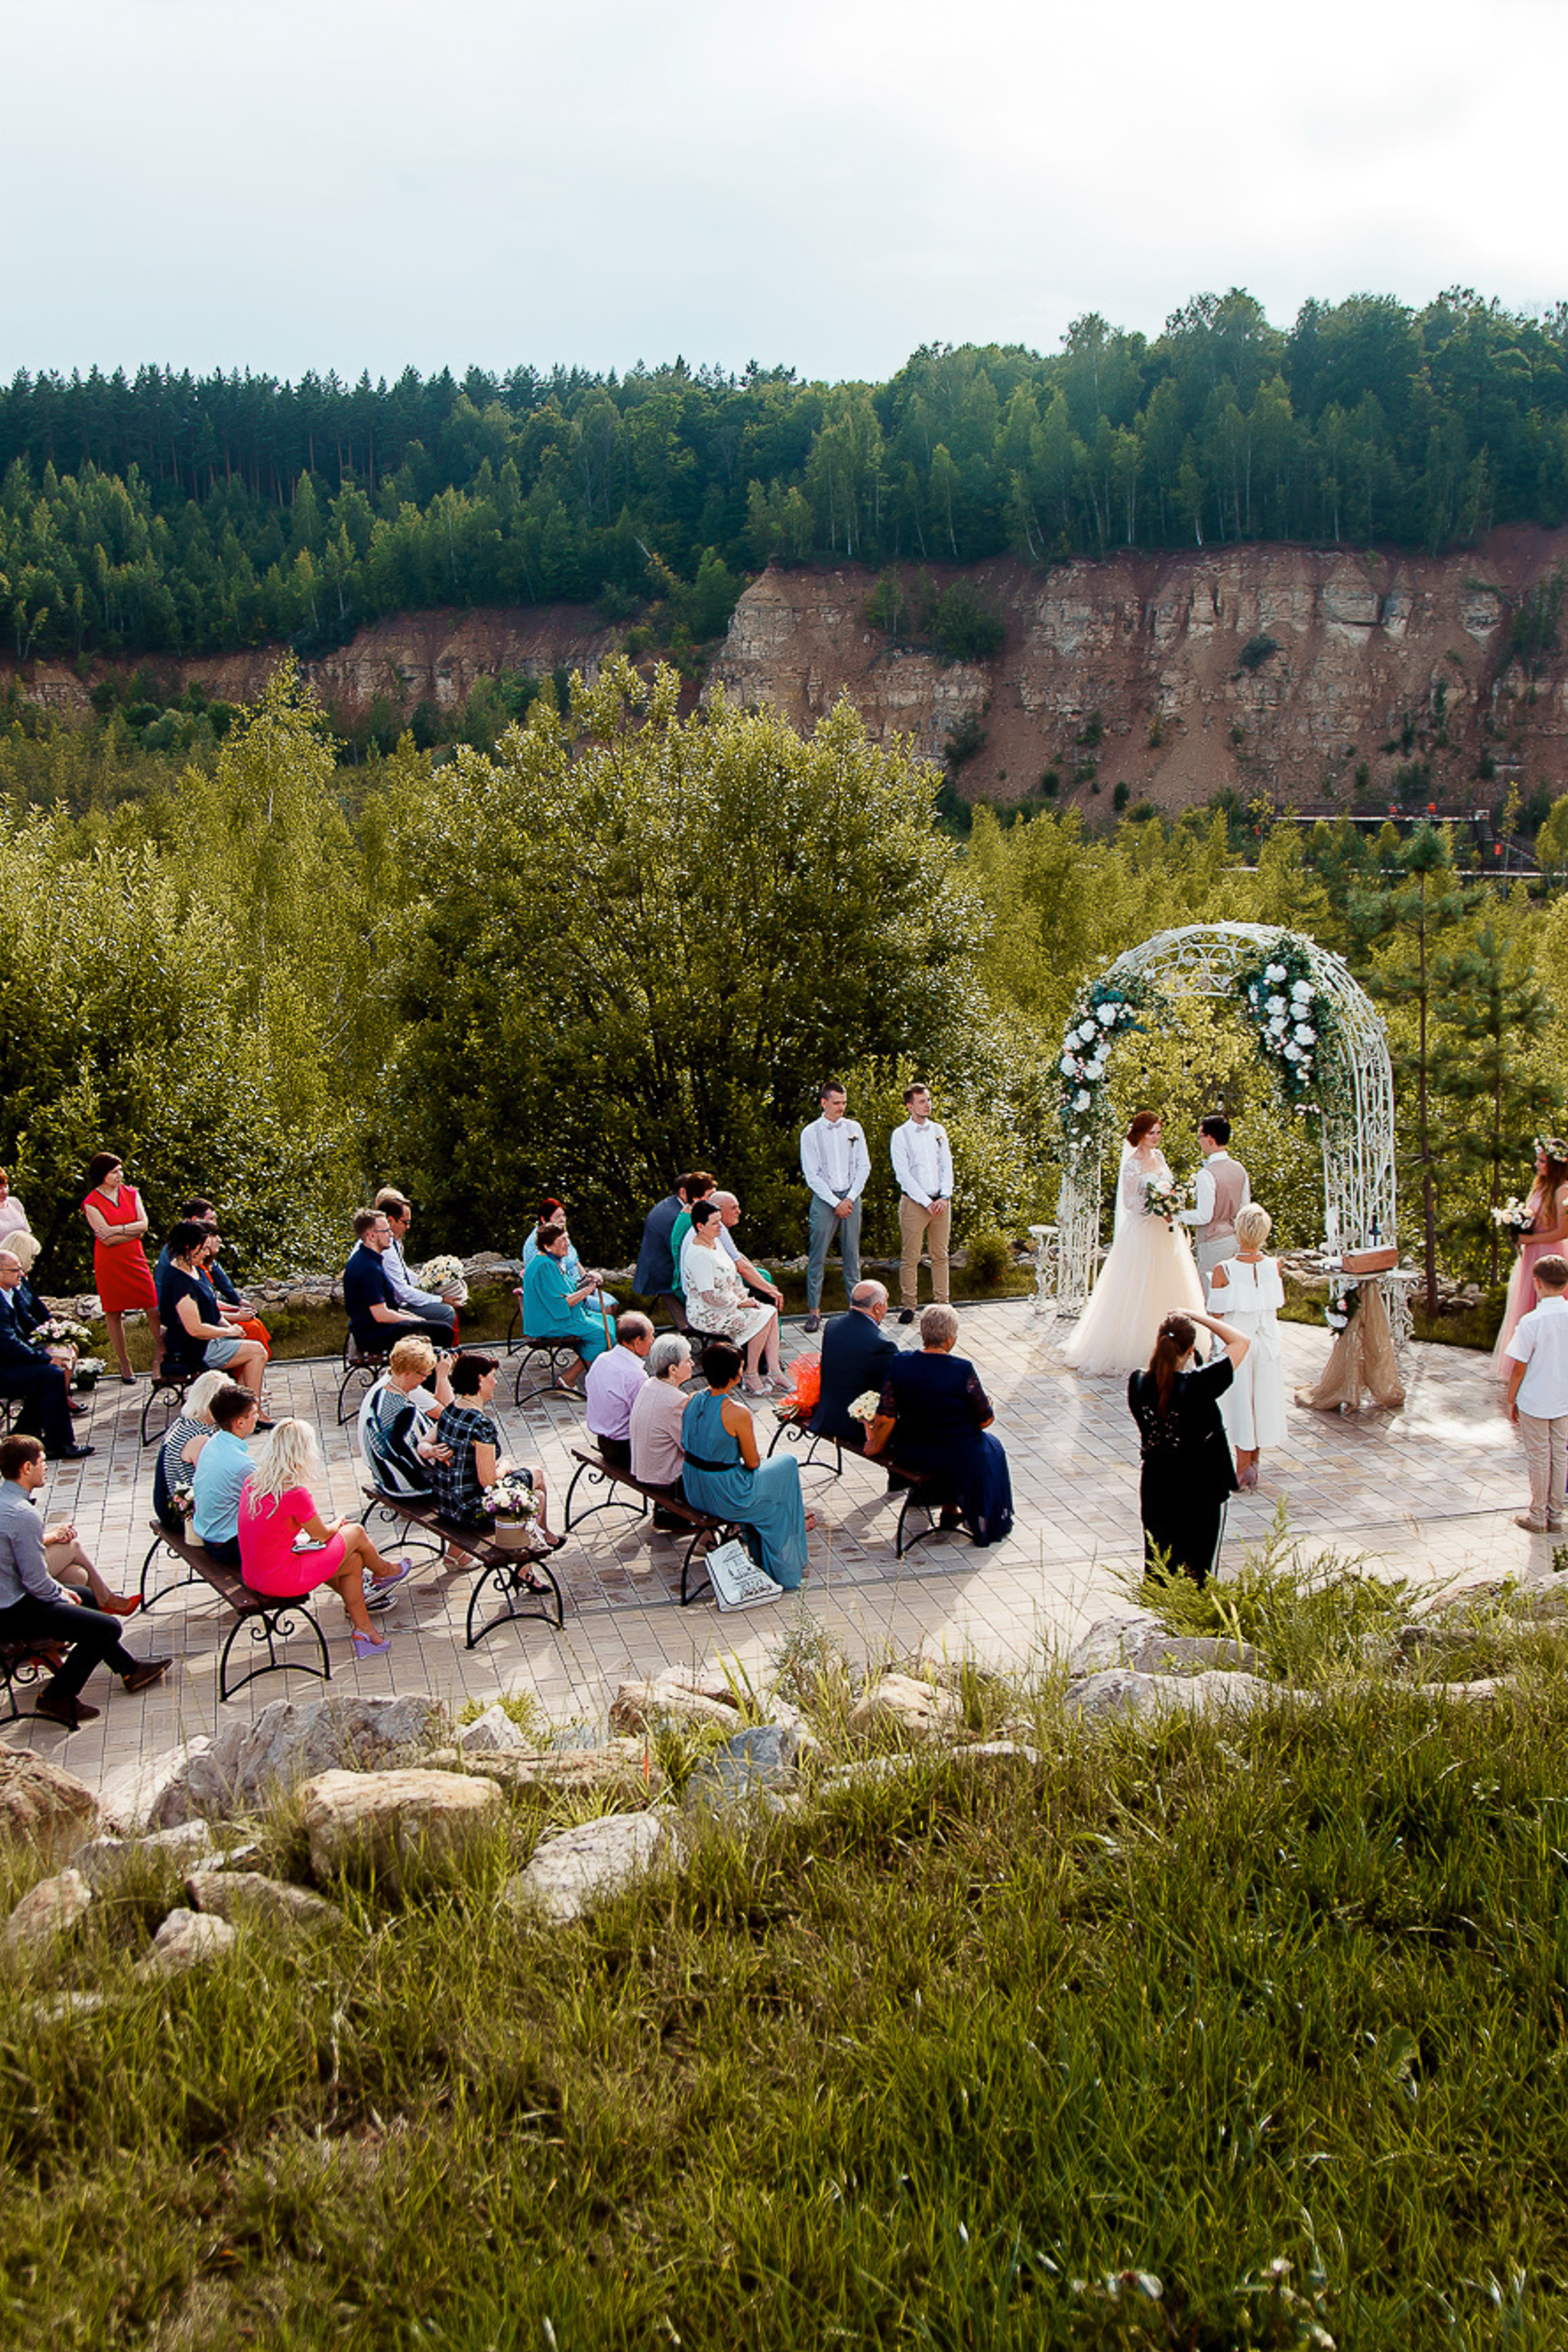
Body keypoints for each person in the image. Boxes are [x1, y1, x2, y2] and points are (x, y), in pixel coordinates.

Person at [0, 1433, 168, 1728]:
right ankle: (57, 1696)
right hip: (12, 1611)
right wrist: (62, 1594)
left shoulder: (6, 1500)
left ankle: (129, 1670)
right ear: (26, 1468)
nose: (46, 1467)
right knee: (108, 1627)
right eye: (42, 1462)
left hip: (10, 1598)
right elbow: (36, 1582)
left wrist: (66, 1592)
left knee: (88, 1597)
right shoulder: (23, 1515)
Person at [237, 1418, 410, 1660]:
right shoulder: (295, 1494)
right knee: (356, 1531)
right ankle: (384, 1572)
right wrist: (338, 1523)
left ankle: (365, 1632)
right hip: (282, 1577)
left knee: (353, 1561)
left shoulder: (253, 1482)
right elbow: (321, 1534)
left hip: (255, 1573)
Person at [1063, 1111, 1204, 1376]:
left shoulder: (1159, 1157)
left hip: (1164, 1231)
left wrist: (1171, 1203)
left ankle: (1178, 1344)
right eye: (1151, 1133)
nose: (1156, 1137)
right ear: (1139, 1134)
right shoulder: (1132, 1165)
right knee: (1138, 1284)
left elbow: (1169, 1186)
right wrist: (1154, 1207)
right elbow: (1130, 1202)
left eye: (1158, 1132)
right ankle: (1135, 1346)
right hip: (1142, 1231)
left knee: (1167, 1281)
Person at [864, 1303, 1014, 1545]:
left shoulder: (900, 1362)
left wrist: (876, 1444)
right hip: (954, 1454)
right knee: (992, 1448)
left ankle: (949, 1510)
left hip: (912, 1450)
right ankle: (980, 1518)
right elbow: (985, 1420)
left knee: (962, 1448)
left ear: (924, 1333)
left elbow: (886, 1414)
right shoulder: (962, 1369)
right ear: (950, 1338)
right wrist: (988, 1404)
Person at [1128, 1308, 1251, 1587]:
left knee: (1159, 1566)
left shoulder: (1137, 1383)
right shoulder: (1199, 1385)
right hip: (1199, 1490)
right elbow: (1241, 1342)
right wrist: (1196, 1315)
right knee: (1197, 1570)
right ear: (1190, 1349)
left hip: (1157, 1485)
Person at [680, 1340, 813, 1589]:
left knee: (776, 1489)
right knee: (786, 1467)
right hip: (725, 1493)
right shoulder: (736, 1412)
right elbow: (752, 1463)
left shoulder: (692, 1400)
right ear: (736, 1375)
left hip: (694, 1487)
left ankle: (780, 1546)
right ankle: (786, 1569)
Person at [432, 1352, 560, 1545]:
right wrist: (505, 1466)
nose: (497, 1382)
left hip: (446, 1502)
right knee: (537, 1474)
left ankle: (544, 1538)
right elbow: (488, 1482)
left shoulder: (450, 1411)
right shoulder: (480, 1424)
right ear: (480, 1380)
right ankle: (538, 1545)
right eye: (493, 1377)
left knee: (538, 1496)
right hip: (469, 1510)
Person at [1210, 1204, 1287, 1490]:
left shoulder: (1224, 1270)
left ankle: (1242, 1469)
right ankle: (1254, 1464)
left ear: (1238, 1230)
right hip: (1268, 1343)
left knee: (1241, 1403)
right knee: (1261, 1401)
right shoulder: (1274, 1266)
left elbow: (1216, 1312)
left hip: (1238, 1344)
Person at [156, 1219, 270, 1403]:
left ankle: (241, 1407)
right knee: (257, 1352)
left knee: (252, 1342)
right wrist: (229, 1332)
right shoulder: (179, 1282)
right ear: (189, 1248)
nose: (208, 1253)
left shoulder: (193, 1269)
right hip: (195, 1348)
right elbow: (195, 1329)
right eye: (203, 1248)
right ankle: (252, 1410)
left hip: (208, 1340)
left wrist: (232, 1326)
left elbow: (210, 1305)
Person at [0, 1248, 91, 1461]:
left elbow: (28, 1323)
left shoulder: (10, 1293)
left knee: (46, 1376)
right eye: (15, 1270)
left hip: (11, 1362)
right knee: (52, 1375)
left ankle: (26, 1432)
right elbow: (8, 1344)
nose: (21, 1274)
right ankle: (60, 1444)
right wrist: (46, 1358)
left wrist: (52, 1341)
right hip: (4, 1368)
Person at [681, 1201, 780, 1394]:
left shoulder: (715, 1242)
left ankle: (774, 1371)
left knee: (771, 1312)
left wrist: (745, 1298)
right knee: (763, 1317)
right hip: (708, 1312)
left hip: (728, 1303)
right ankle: (751, 1374)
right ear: (700, 1227)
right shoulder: (699, 1255)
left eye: (720, 1221)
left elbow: (733, 1278)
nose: (721, 1226)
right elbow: (709, 1297)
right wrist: (740, 1303)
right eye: (715, 1223)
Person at [81, 1150, 162, 1383]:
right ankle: (125, 1364)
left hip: (135, 1258)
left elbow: (143, 1225)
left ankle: (163, 1352)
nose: (120, 1175)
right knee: (114, 1312)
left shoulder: (132, 1193)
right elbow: (104, 1239)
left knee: (153, 1306)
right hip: (110, 1263)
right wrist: (130, 1230)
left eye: (120, 1171)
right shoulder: (91, 1202)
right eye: (114, 1172)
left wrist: (118, 1230)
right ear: (102, 1174)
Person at [1504, 1253, 1568, 1535]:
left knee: (1539, 1456)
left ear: (1537, 1283)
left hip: (1535, 1399)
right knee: (1560, 1455)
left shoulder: (1531, 1321)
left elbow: (1519, 1367)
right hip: (1564, 1398)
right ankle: (1556, 1517)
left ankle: (1538, 1516)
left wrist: (1511, 1399)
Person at [801, 1082, 869, 1333]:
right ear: (824, 1103)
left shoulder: (854, 1128)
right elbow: (812, 1174)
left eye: (844, 1103)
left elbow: (864, 1166)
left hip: (851, 1197)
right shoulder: (810, 1132)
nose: (842, 1107)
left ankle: (858, 1312)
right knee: (817, 1255)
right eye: (837, 1103)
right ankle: (814, 1312)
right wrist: (835, 1202)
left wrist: (849, 1198)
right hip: (825, 1198)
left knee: (852, 1255)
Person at [1494, 1139, 1568, 1368]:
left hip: (1549, 1254)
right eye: (1538, 1159)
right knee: (1525, 1307)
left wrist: (1531, 1239)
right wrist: (1517, 1232)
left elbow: (1563, 1231)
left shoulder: (1563, 1191)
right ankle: (1525, 1365)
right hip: (1531, 1255)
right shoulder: (1540, 1187)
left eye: (1542, 1161)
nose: (1537, 1164)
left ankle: (1550, 1365)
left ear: (1556, 1164)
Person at [357, 1336, 456, 1500]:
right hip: (408, 1487)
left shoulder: (384, 1392)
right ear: (408, 1373)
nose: (425, 1379)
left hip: (386, 1479)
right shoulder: (405, 1409)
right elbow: (424, 1455)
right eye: (423, 1375)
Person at [342, 1208, 451, 1356]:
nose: (391, 1234)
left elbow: (389, 1307)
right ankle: (435, 1369)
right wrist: (414, 1321)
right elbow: (381, 1315)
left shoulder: (366, 1260)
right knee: (443, 1331)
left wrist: (415, 1319)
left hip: (372, 1329)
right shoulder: (369, 1269)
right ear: (371, 1236)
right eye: (386, 1231)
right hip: (374, 1335)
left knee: (433, 1326)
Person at [891, 1083, 954, 1324]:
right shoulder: (901, 1135)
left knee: (940, 1255)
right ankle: (909, 1305)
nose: (928, 1105)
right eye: (922, 1101)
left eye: (928, 1100)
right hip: (915, 1202)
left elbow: (946, 1165)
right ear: (910, 1106)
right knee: (911, 1257)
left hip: (941, 1201)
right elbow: (903, 1174)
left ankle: (943, 1303)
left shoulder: (938, 1130)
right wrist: (927, 1202)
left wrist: (944, 1196)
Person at [810, 1279, 899, 1443]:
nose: (887, 1308)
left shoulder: (832, 1326)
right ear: (877, 1308)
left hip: (826, 1416)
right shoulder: (881, 1344)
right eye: (886, 1303)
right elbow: (893, 1386)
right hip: (856, 1426)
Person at [1177, 1115, 1251, 1306]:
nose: (1199, 1141)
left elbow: (1204, 1216)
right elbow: (1245, 1208)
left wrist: (1177, 1215)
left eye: (1200, 1137)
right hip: (1236, 1239)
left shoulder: (1207, 1174)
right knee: (1234, 1296)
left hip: (1213, 1241)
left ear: (1210, 1139)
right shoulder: (1239, 1169)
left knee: (1212, 1298)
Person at [522, 1224, 612, 1382]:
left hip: (554, 1318)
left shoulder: (551, 1262)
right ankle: (569, 1378)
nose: (568, 1243)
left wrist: (588, 1279)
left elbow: (569, 1288)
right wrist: (589, 1289)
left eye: (567, 1238)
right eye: (563, 1240)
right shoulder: (545, 1266)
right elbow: (562, 1303)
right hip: (549, 1323)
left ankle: (596, 1369)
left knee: (608, 1321)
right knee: (603, 1334)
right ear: (548, 1246)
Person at [191, 1382, 262, 1566]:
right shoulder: (242, 1465)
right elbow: (265, 1505)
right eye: (254, 1413)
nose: (257, 1417)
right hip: (228, 1546)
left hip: (208, 1532)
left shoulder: (213, 1443)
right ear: (240, 1423)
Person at [152, 1367, 230, 1533]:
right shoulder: (201, 1438)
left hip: (168, 1507)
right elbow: (214, 1483)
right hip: (184, 1517)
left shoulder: (183, 1422)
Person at [374, 1189, 459, 1339]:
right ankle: (435, 1351)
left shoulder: (392, 1243)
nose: (408, 1227)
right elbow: (402, 1292)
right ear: (390, 1220)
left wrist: (429, 1282)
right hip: (390, 1310)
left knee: (442, 1308)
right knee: (445, 1313)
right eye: (405, 1222)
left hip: (393, 1305)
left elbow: (404, 1273)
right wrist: (440, 1299)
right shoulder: (386, 1248)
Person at [635, 1171, 715, 1327]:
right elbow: (681, 1250)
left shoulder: (672, 1206)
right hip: (662, 1270)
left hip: (659, 1264)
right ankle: (694, 1325)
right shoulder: (673, 1215)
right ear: (684, 1192)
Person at [629, 1333, 693, 1527]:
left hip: (643, 1468)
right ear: (673, 1369)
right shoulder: (676, 1400)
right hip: (662, 1476)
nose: (692, 1364)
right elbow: (690, 1446)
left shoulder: (650, 1384)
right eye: (688, 1360)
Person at [583, 1311, 654, 1469]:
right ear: (637, 1341)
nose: (653, 1341)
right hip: (624, 1448)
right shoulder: (635, 1375)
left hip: (603, 1440)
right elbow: (644, 1418)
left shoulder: (602, 1359)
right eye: (651, 1336)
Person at [0, 1168, 31, 1243]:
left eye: (5, 1186)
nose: (4, 1191)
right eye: (0, 1188)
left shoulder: (14, 1203)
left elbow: (28, 1234)